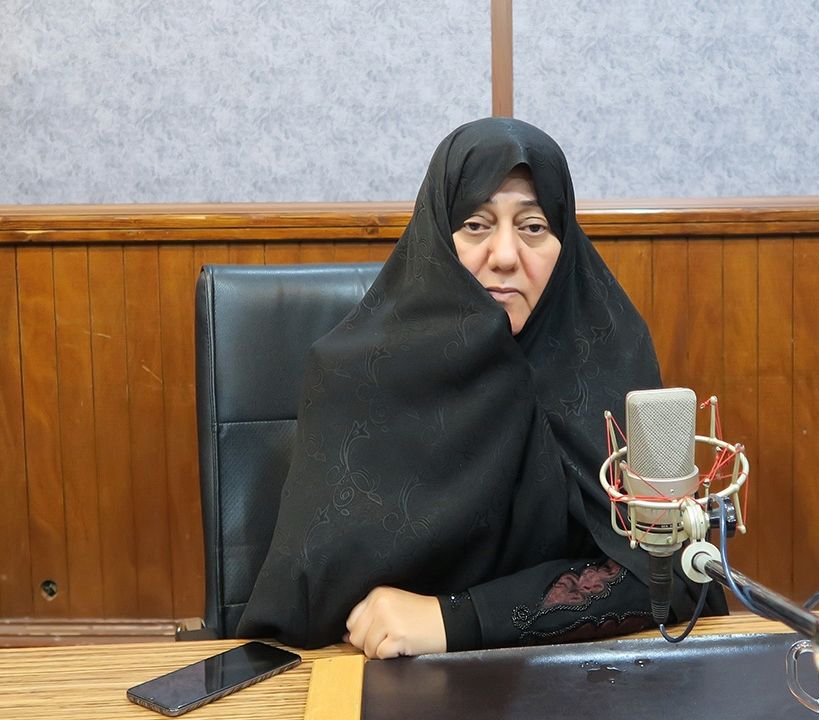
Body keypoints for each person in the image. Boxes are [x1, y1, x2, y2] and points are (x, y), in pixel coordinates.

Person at [236, 117, 727, 656]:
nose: (505, 255)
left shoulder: (609, 356)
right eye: (475, 224)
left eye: (533, 227)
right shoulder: (353, 379)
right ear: (436, 241)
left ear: (565, 243)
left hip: (567, 676)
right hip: (377, 676)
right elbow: (306, 610)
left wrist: (458, 618)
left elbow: (672, 576)